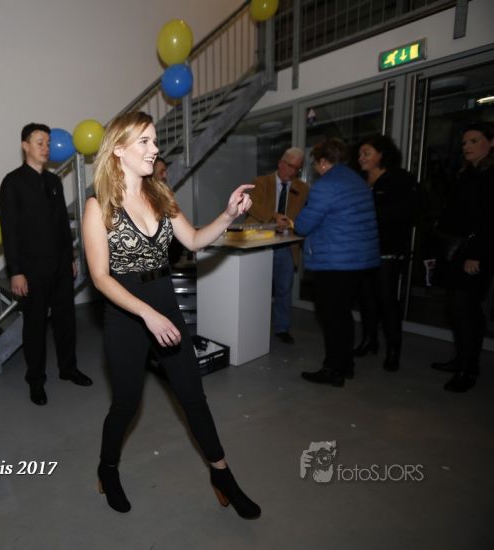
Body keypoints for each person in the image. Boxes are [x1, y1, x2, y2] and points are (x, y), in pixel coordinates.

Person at [83, 111, 260, 519]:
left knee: (193, 397)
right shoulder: (100, 206)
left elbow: (194, 239)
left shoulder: (161, 194)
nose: (155, 148)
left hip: (164, 302)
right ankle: (107, 469)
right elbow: (100, 277)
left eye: (155, 140)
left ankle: (222, 476)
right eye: (145, 141)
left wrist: (229, 215)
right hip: (127, 313)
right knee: (126, 403)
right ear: (119, 150)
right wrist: (147, 314)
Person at [0, 122, 92, 406]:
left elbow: (62, 223)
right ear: (25, 145)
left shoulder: (53, 181)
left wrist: (71, 256)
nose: (46, 148)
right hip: (31, 269)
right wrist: (16, 272)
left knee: (66, 320)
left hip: (61, 264)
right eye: (40, 142)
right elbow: (9, 230)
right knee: (35, 326)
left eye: (48, 143)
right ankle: (36, 380)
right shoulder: (12, 182)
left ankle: (68, 368)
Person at [294, 137, 380, 387]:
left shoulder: (326, 185)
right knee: (343, 316)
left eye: (316, 163)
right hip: (358, 260)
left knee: (331, 318)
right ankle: (346, 365)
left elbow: (303, 225)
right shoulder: (358, 181)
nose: (316, 168)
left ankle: (333, 370)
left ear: (323, 161)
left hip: (335, 262)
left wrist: (295, 222)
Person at [430, 122, 494, 392]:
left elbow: (489, 221)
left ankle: (468, 369)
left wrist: (476, 255)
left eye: (474, 141)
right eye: (465, 142)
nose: (467, 146)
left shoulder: (490, 176)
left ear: (491, 143)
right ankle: (461, 360)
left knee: (464, 310)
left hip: (474, 253)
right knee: (458, 310)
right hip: (455, 251)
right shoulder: (467, 173)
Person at [354, 134, 418, 371]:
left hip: (388, 251)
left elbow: (406, 214)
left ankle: (393, 349)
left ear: (382, 154)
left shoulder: (400, 179)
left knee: (386, 300)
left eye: (367, 153)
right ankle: (369, 340)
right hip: (363, 249)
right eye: (360, 154)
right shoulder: (360, 180)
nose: (361, 158)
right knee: (366, 299)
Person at [244, 147, 309, 344]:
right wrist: (274, 217)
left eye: (297, 168)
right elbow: (252, 206)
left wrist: (292, 223)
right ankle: (253, 327)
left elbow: (305, 214)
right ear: (281, 163)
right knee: (255, 289)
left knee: (284, 288)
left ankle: (282, 328)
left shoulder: (303, 188)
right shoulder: (260, 182)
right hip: (260, 242)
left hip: (285, 245)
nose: (293, 172)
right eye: (290, 166)